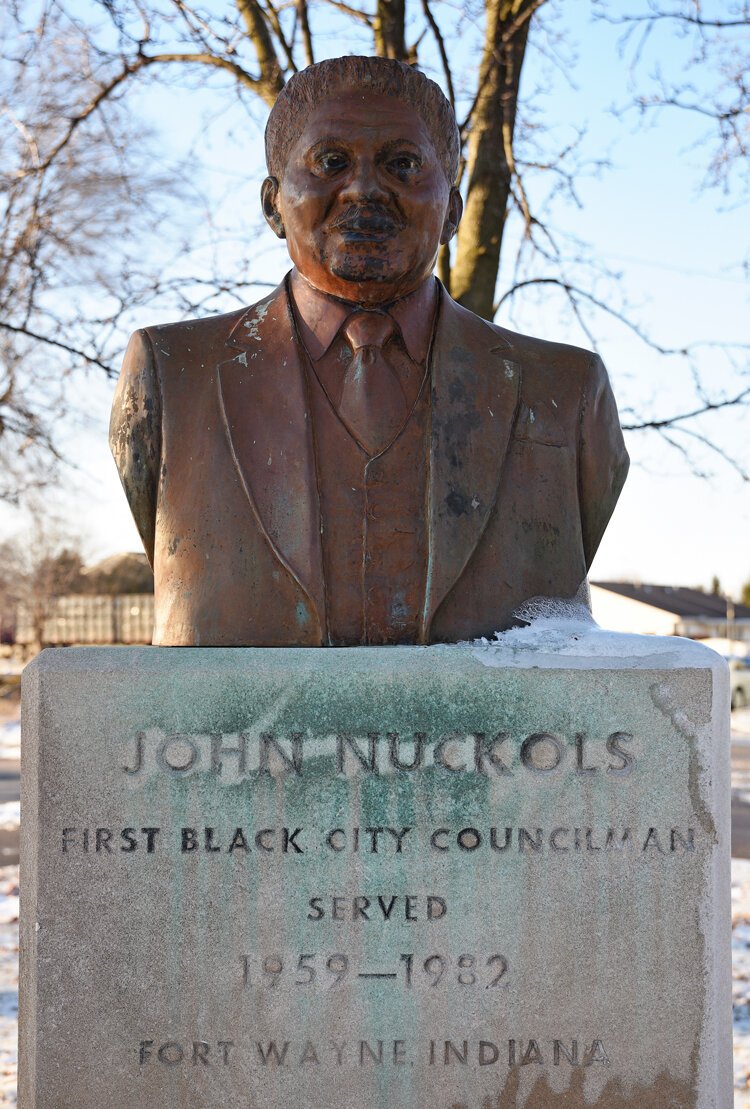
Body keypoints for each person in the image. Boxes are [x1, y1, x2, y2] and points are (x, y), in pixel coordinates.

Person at [110, 55, 629, 647]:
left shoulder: (567, 390)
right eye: (330, 162)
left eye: (403, 164)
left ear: (454, 210)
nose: (363, 188)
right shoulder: (171, 374)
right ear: (272, 203)